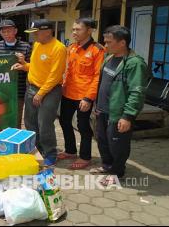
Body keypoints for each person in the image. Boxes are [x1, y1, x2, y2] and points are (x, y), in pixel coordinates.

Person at [90, 25, 148, 186]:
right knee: (102, 141)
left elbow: (137, 92)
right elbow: (102, 83)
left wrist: (128, 116)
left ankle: (117, 171)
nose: (105, 45)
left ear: (122, 43)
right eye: (104, 42)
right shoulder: (109, 58)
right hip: (102, 109)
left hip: (118, 113)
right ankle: (107, 165)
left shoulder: (134, 63)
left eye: (109, 42)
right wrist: (96, 104)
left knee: (118, 144)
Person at [12, 19, 67, 167]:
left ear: (48, 31)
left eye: (37, 33)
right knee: (30, 122)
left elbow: (55, 75)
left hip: (49, 90)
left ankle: (50, 153)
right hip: (32, 88)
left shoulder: (58, 48)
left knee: (44, 124)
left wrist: (41, 93)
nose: (34, 36)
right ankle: (36, 149)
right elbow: (35, 67)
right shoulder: (37, 45)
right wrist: (24, 66)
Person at [59, 18, 105, 170]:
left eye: (78, 30)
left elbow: (98, 76)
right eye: (73, 29)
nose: (74, 33)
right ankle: (71, 150)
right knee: (64, 121)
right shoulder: (72, 48)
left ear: (90, 30)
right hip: (68, 93)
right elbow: (68, 71)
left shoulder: (97, 50)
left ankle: (85, 157)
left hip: (84, 96)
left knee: (83, 126)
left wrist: (88, 98)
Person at [0, 19, 32, 128]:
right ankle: (0, 143)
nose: (7, 34)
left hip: (18, 91)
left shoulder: (26, 47)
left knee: (16, 120)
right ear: (0, 33)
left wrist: (24, 62)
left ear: (15, 31)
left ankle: (14, 144)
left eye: (9, 31)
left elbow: (32, 68)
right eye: (4, 32)